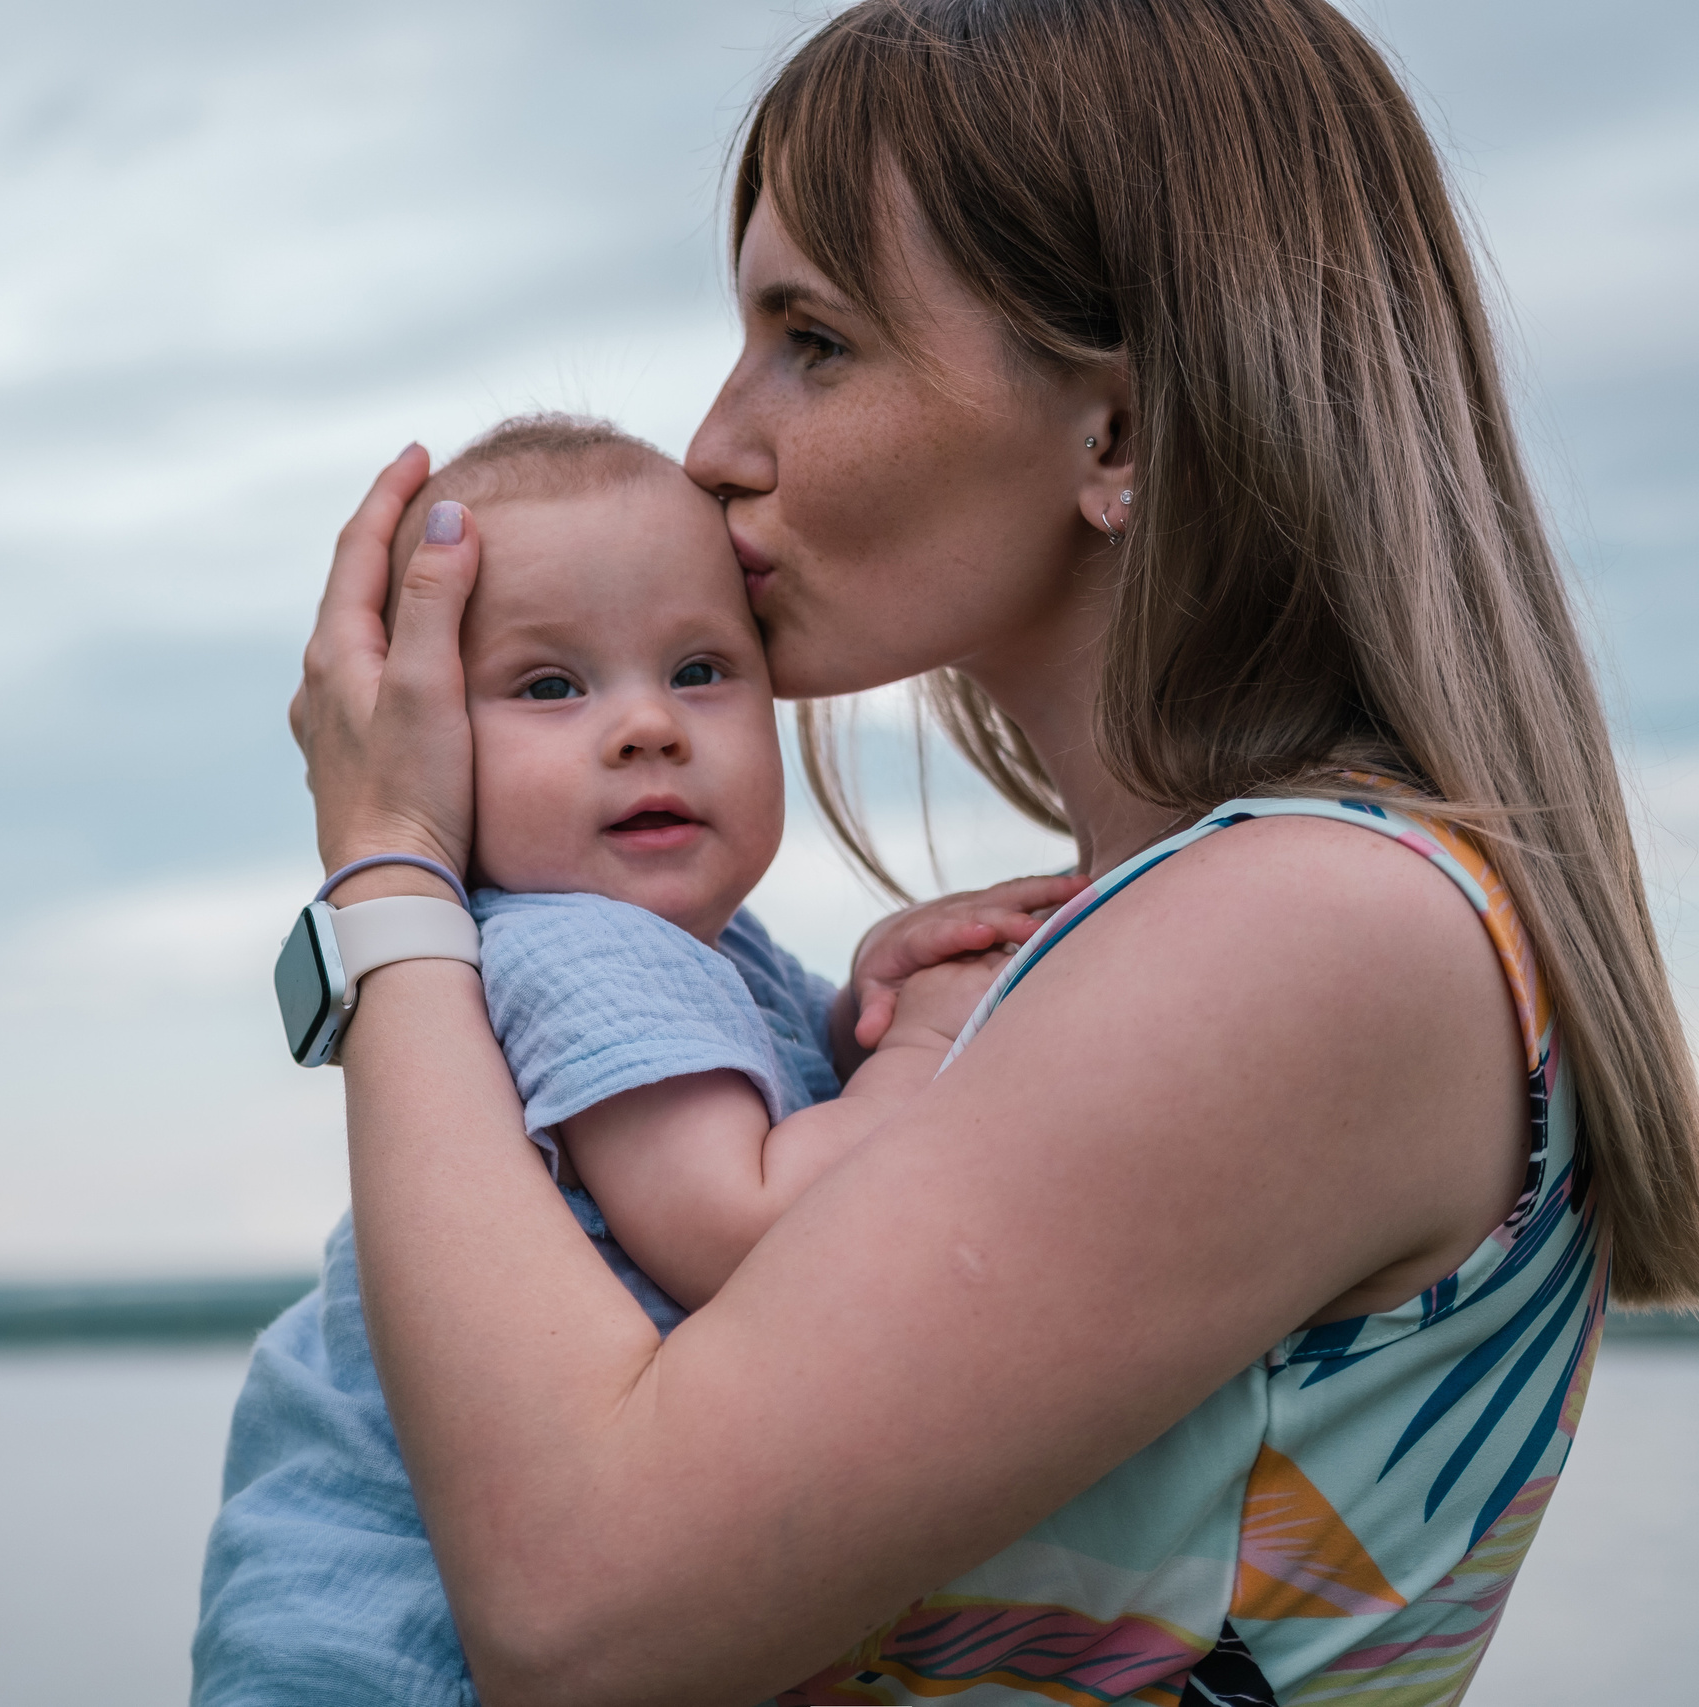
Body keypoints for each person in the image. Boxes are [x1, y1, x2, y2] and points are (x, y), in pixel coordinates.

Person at [284, 1, 1699, 1702]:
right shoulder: (1194, 931)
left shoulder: (1321, 926)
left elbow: (577, 1614)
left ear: (1110, 434)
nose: (720, 446)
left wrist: (387, 875)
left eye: (811, 340)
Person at [194, 412, 1075, 1703]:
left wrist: (859, 1020)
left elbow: (752, 1099)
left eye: (704, 670)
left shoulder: (683, 950)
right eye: (553, 686)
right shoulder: (575, 952)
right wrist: (934, 1041)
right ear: (424, 741)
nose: (648, 726)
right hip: (401, 1667)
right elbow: (740, 1217)